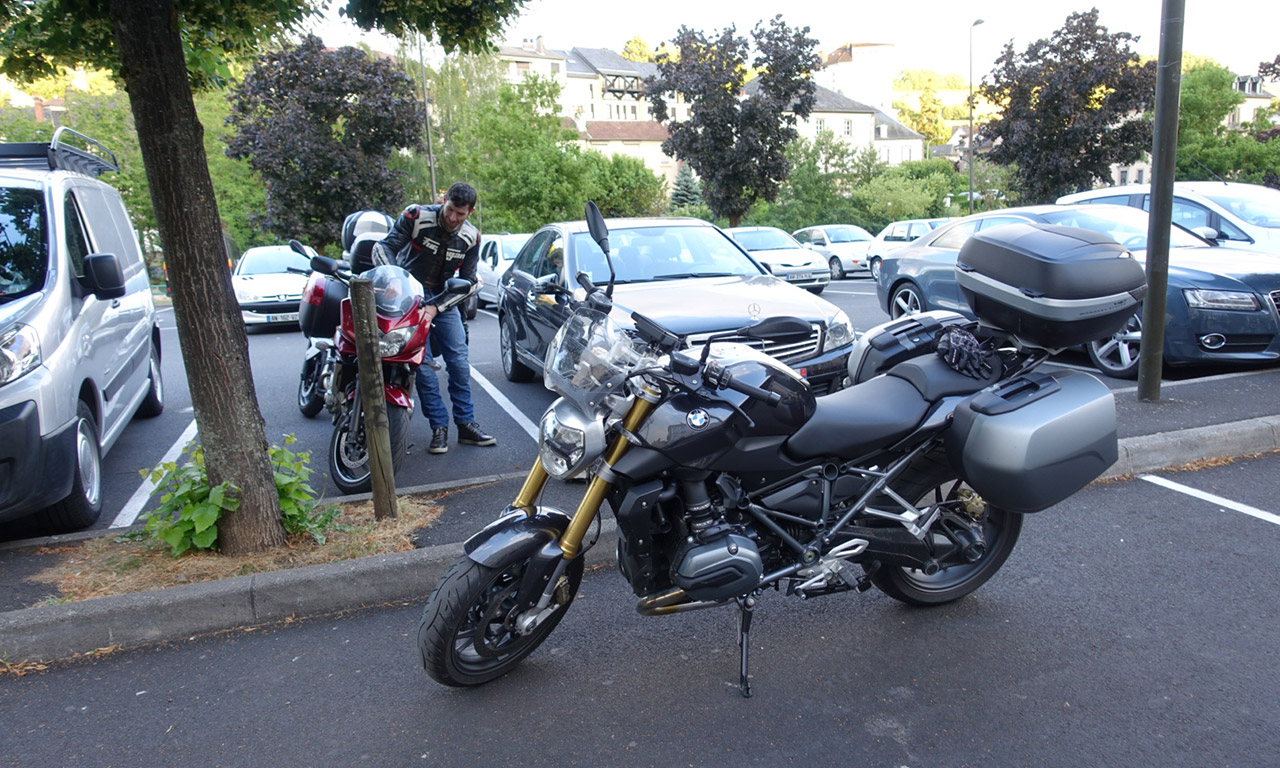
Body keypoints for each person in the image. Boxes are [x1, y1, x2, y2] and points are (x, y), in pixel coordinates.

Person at [377, 182, 495, 455]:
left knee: (459, 363)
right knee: (424, 365)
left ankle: (466, 425)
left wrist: (436, 308)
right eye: (451, 210)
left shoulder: (471, 237)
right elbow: (385, 247)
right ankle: (438, 428)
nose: (453, 218)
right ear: (444, 200)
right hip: (409, 296)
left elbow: (466, 281)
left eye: (460, 214)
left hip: (443, 300)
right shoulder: (416, 216)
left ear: (471, 212)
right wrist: (391, 276)